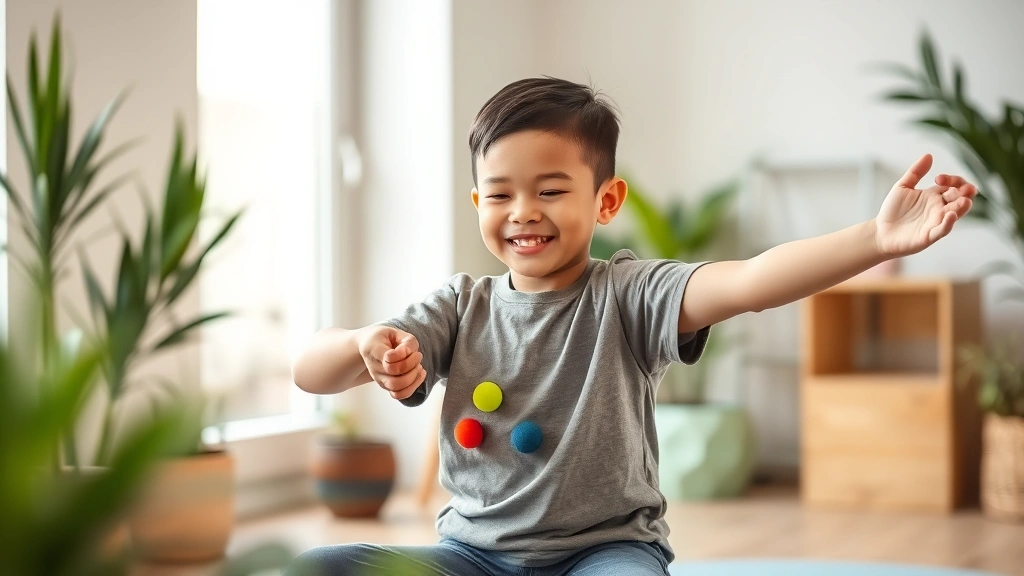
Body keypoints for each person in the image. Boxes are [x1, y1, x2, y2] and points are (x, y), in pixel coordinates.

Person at [288, 77, 976, 576]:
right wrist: (361, 344)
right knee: (316, 567)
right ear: (478, 202)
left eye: (550, 190)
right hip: (472, 558)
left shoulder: (629, 294)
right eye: (500, 194)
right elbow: (309, 371)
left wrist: (874, 239)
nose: (523, 210)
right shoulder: (459, 307)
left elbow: (752, 280)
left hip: (604, 554)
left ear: (606, 200)